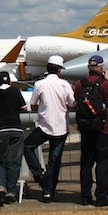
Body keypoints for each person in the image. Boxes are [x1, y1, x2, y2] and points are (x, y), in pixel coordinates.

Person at [74, 54, 108, 206]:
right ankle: (101, 197)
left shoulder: (79, 83)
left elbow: (76, 99)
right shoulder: (105, 84)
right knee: (103, 164)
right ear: (101, 68)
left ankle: (85, 196)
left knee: (86, 164)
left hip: (86, 128)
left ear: (89, 67)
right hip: (104, 129)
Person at [23, 55, 75, 203]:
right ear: (59, 70)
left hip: (44, 125)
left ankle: (39, 174)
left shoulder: (40, 84)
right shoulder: (65, 84)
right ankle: (48, 192)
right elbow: (72, 104)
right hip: (61, 127)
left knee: (27, 147)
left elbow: (33, 104)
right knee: (54, 161)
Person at [0, 70, 27, 206]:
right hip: (16, 129)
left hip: (0, 130)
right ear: (9, 81)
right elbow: (23, 107)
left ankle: (0, 187)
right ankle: (11, 190)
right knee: (14, 161)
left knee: (0, 161)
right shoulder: (15, 92)